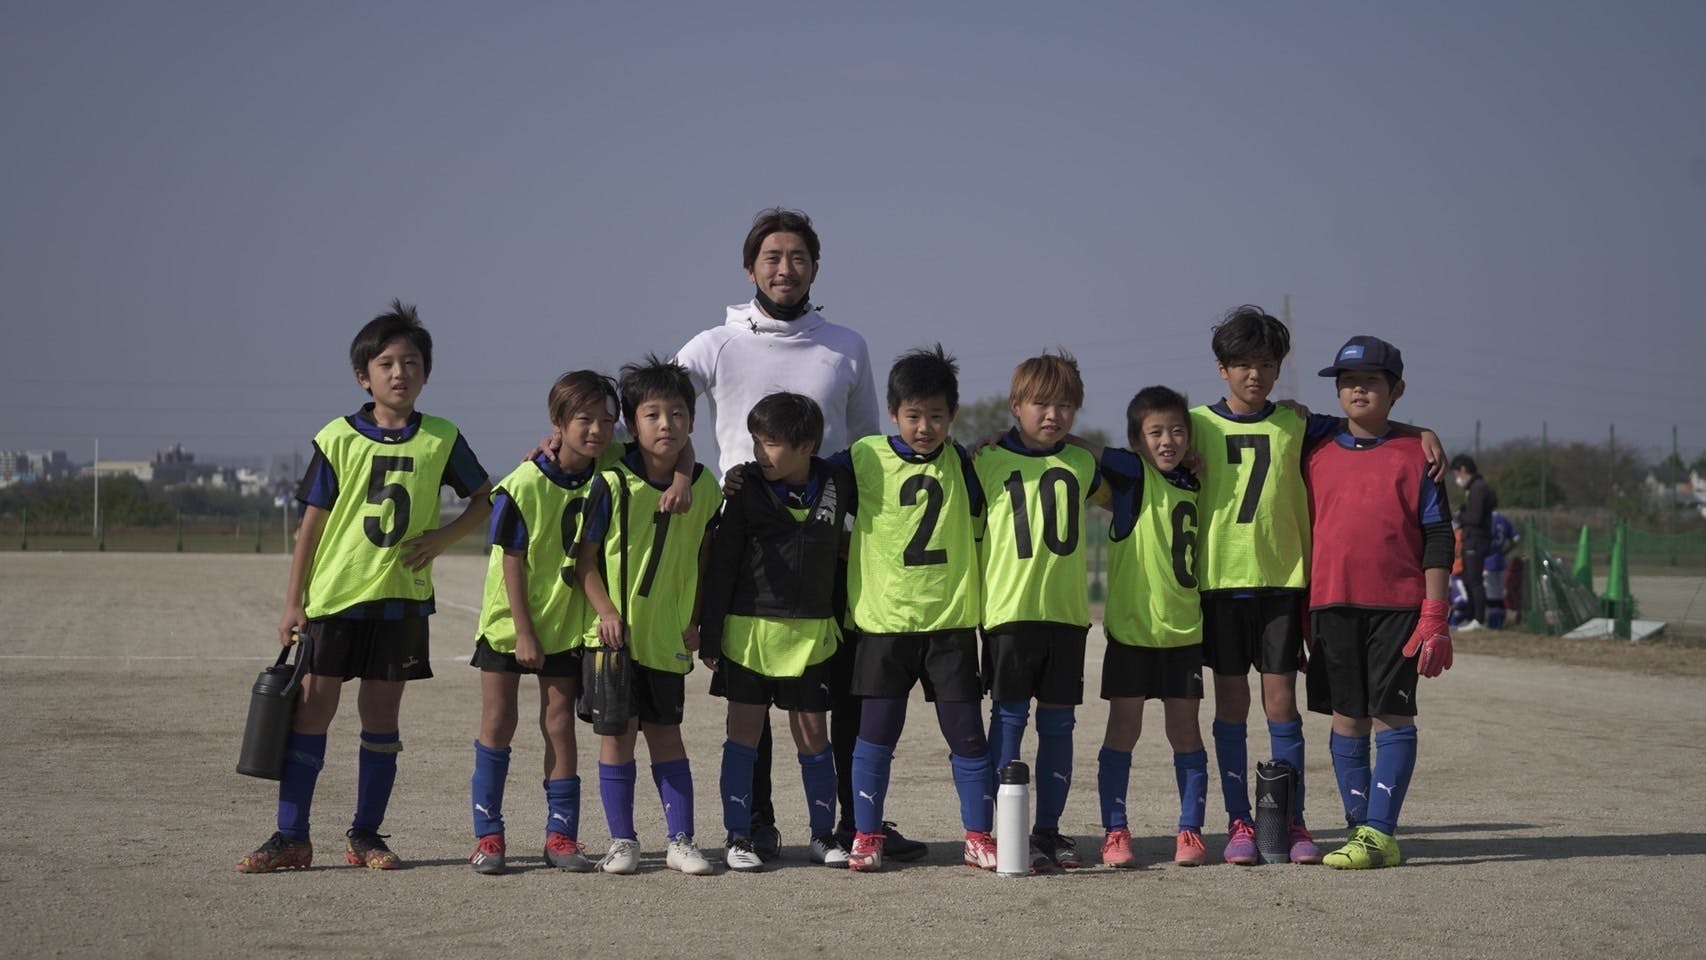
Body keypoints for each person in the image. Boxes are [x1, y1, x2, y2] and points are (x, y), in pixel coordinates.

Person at [674, 208, 919, 862]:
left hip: (826, 542)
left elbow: (867, 447)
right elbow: (655, 408)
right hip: (748, 544)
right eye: (772, 257)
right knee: (750, 704)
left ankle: (851, 822)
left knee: (834, 695)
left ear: (815, 266)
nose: (785, 269)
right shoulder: (714, 344)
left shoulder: (846, 345)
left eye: (798, 257)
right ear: (749, 268)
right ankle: (754, 825)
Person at [239, 300, 492, 873]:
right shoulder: (338, 437)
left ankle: (366, 835)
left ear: (426, 372)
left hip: (401, 601)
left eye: (411, 363)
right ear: (364, 376)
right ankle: (291, 836)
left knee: (381, 720)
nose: (399, 373)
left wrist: (441, 538)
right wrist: (293, 601)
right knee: (312, 712)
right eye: (386, 364)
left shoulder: (442, 437)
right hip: (335, 597)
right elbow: (312, 524)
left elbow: (485, 499)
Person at [840, 347, 994, 872]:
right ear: (892, 413)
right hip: (885, 623)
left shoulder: (968, 464)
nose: (924, 427)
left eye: (936, 416)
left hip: (950, 624)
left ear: (953, 415)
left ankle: (978, 835)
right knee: (876, 735)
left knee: (968, 735)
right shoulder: (863, 457)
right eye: (913, 415)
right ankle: (867, 835)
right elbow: (804, 475)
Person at [1190, 306, 1335, 865]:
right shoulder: (1194, 425)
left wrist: (1422, 433)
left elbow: (1367, 428)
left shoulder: (1297, 423)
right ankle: (1240, 820)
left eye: (1267, 364)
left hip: (1280, 586)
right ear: (1222, 368)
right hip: (1221, 586)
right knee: (1231, 703)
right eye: (1244, 364)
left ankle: (1290, 819)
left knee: (1281, 704)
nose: (1256, 374)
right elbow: (1136, 447)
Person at [1303, 336, 1454, 869]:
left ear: (1397, 389)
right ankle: (1359, 829)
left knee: (1392, 714)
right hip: (1330, 602)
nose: (1357, 390)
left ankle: (1382, 832)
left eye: (1371, 381)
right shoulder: (1314, 449)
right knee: (1347, 716)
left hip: (1398, 606)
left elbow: (1438, 536)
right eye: (1347, 381)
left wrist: (1435, 612)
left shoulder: (1418, 457)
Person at [467, 371, 622, 875]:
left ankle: (561, 835)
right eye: (584, 419)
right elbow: (511, 561)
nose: (596, 430)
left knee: (559, 724)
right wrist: (524, 631)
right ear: (557, 423)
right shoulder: (522, 483)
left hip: (563, 625)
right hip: (510, 625)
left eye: (606, 421)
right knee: (498, 720)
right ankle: (489, 836)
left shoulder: (604, 480)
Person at [575, 356, 723, 876]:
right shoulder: (611, 481)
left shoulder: (705, 487)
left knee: (667, 736)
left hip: (666, 637)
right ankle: (623, 841)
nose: (667, 425)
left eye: (678, 414)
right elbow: (584, 563)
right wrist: (607, 613)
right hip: (613, 639)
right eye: (653, 415)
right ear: (632, 424)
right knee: (617, 737)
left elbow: (703, 560)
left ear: (692, 420)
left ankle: (682, 840)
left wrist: (696, 619)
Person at [700, 393, 853, 871]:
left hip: (812, 634)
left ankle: (823, 835)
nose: (759, 453)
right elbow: (723, 563)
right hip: (749, 632)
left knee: (813, 737)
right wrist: (711, 632)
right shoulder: (744, 488)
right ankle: (739, 837)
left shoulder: (838, 480)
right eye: (756, 442)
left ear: (806, 446)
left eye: (770, 443)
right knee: (742, 737)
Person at [976, 350, 1100, 872]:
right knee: (1007, 721)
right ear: (1016, 406)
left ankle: (1047, 829)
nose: (1054, 415)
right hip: (1008, 613)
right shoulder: (983, 461)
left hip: (1067, 617)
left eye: (1065, 406)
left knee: (1059, 727)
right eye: (1041, 405)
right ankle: (1000, 829)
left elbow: (1138, 473)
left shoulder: (1084, 463)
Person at [1081, 386, 1211, 869]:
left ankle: (1190, 829)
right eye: (1155, 432)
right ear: (1136, 441)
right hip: (1132, 634)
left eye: (1177, 431)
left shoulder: (1196, 482)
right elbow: (1088, 449)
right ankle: (1115, 830)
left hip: (1183, 632)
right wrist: (1044, 435)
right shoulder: (1134, 476)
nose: (1167, 440)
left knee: (1185, 731)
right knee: (1123, 730)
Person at [1450, 455, 1498, 630]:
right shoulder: (1475, 488)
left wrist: (1459, 516)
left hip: (1476, 539)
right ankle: (1471, 617)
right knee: (1468, 579)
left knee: (1474, 580)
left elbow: (1475, 517)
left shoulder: (1478, 488)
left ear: (1463, 469)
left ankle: (1478, 619)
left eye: (1456, 474)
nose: (1457, 478)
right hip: (1472, 538)